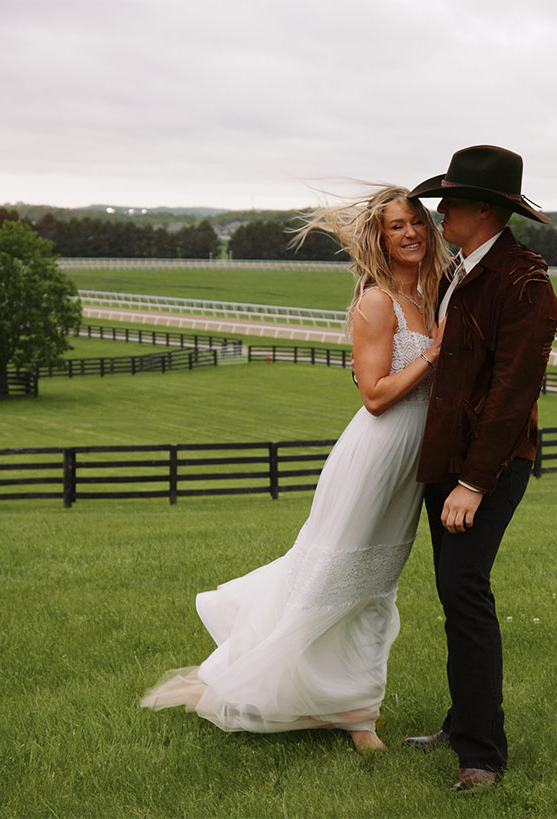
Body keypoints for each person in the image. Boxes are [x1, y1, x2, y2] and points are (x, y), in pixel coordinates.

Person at [140, 186, 451, 753]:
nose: (409, 234)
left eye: (417, 224)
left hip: (413, 465)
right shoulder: (377, 302)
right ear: (379, 241)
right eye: (394, 227)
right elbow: (376, 398)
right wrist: (435, 352)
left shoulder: (434, 298)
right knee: (336, 579)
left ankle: (352, 706)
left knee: (375, 588)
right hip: (375, 458)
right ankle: (296, 695)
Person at [403, 145, 557, 791]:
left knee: (466, 590)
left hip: (488, 466)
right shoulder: (457, 270)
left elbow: (512, 391)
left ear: (485, 211)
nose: (439, 213)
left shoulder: (524, 282)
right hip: (446, 458)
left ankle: (483, 755)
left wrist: (472, 482)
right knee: (452, 589)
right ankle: (460, 719)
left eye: (451, 202)